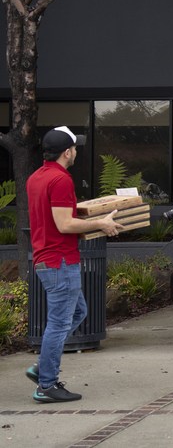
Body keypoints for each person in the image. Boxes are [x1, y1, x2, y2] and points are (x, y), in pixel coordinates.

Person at [26, 126, 124, 403]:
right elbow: (64, 224)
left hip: (48, 258)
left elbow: (54, 219)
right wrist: (101, 223)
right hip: (59, 261)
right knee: (59, 323)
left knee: (79, 311)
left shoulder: (36, 177)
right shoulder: (60, 179)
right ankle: (47, 385)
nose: (76, 151)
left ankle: (43, 366)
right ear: (67, 152)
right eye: (75, 147)